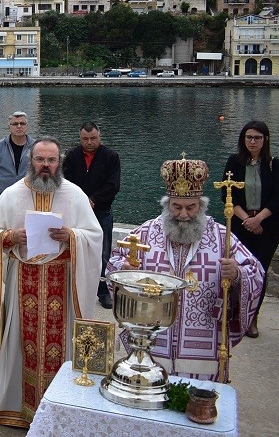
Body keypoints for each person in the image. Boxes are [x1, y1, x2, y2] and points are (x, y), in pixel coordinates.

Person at [0, 137, 102, 428]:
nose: (45, 166)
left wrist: (72, 235)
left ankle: (62, 408)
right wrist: (10, 237)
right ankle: (15, 407)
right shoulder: (11, 195)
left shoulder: (75, 194)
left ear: (60, 162)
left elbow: (94, 237)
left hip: (63, 279)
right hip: (24, 280)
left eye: (52, 160)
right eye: (40, 160)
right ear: (30, 161)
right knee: (21, 344)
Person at [109, 155, 265, 380]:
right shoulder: (146, 232)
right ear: (166, 204)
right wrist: (124, 268)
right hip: (154, 338)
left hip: (202, 343)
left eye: (190, 207)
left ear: (201, 205)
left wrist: (238, 275)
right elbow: (114, 263)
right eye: (176, 207)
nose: (183, 215)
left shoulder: (222, 236)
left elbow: (255, 270)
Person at [223, 120, 279, 338]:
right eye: (249, 137)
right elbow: (226, 194)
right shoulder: (234, 162)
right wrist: (247, 220)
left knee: (259, 272)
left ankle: (253, 317)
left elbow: (278, 196)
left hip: (266, 227)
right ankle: (234, 314)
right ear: (243, 139)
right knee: (236, 271)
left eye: (257, 137)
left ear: (265, 140)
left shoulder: (272, 164)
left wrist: (258, 219)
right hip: (240, 225)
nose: (252, 141)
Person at [62, 121, 121, 309]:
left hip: (101, 210)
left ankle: (103, 290)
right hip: (76, 211)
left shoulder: (111, 156)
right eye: (85, 139)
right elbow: (66, 182)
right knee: (73, 248)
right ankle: (73, 287)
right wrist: (80, 201)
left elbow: (113, 185)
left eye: (93, 138)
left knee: (103, 251)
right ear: (80, 138)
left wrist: (93, 199)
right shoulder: (71, 156)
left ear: (99, 136)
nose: (89, 142)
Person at [0, 111, 34, 200]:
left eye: (22, 123)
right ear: (9, 127)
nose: (19, 126)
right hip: (3, 197)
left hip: (30, 197)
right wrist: (0, 183)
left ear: (27, 126)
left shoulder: (36, 147)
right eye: (15, 124)